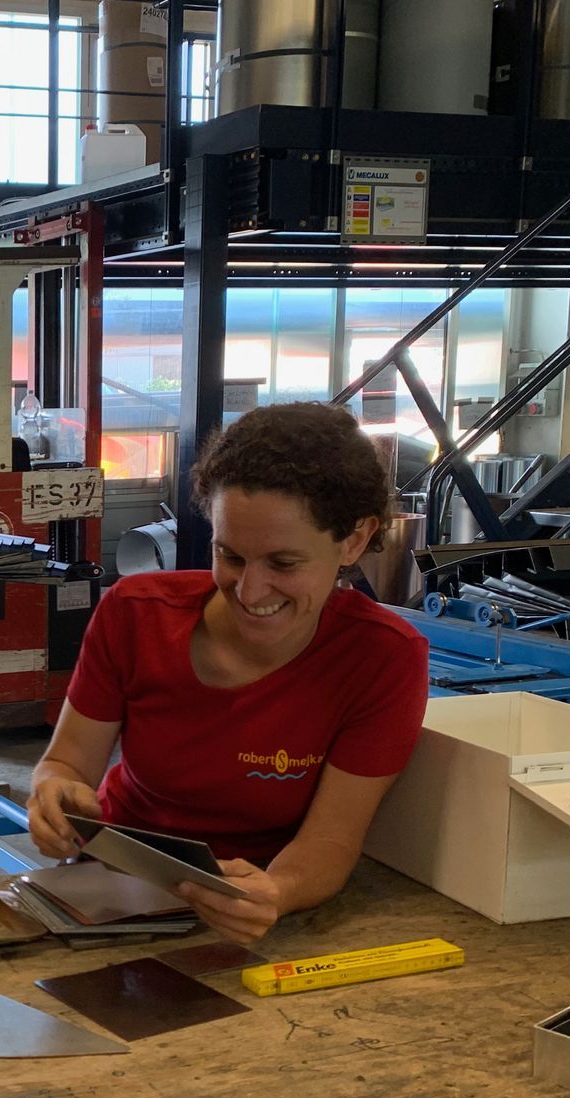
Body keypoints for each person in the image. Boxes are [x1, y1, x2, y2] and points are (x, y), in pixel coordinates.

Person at [27, 402, 429, 944]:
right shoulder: (134, 614)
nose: (251, 591)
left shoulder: (382, 657)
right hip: (116, 886)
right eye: (231, 556)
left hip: (266, 908)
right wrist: (54, 793)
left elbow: (330, 843)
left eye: (283, 564)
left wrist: (276, 891)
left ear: (354, 540)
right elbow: (67, 762)